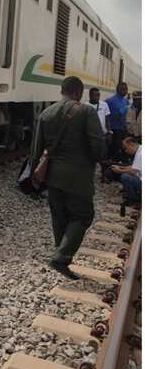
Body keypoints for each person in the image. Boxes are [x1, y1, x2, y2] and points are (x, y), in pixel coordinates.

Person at [30, 76, 106, 279]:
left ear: (62, 91)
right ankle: (61, 257)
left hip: (53, 176)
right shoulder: (87, 111)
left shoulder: (46, 113)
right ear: (79, 92)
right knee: (83, 216)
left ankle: (60, 253)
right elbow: (97, 145)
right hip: (79, 177)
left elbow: (36, 149)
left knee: (59, 215)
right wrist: (98, 162)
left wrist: (36, 176)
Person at [107, 137, 142, 209]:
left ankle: (133, 199)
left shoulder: (140, 154)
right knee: (126, 174)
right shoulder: (140, 150)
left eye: (126, 148)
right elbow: (133, 167)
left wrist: (119, 170)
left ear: (131, 145)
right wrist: (120, 167)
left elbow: (133, 171)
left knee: (125, 177)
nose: (125, 151)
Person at [105, 82, 130, 159]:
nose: (125, 91)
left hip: (123, 130)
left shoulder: (126, 101)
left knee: (122, 149)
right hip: (114, 130)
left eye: (126, 89)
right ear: (117, 90)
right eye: (123, 89)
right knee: (113, 149)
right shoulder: (109, 101)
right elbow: (107, 116)